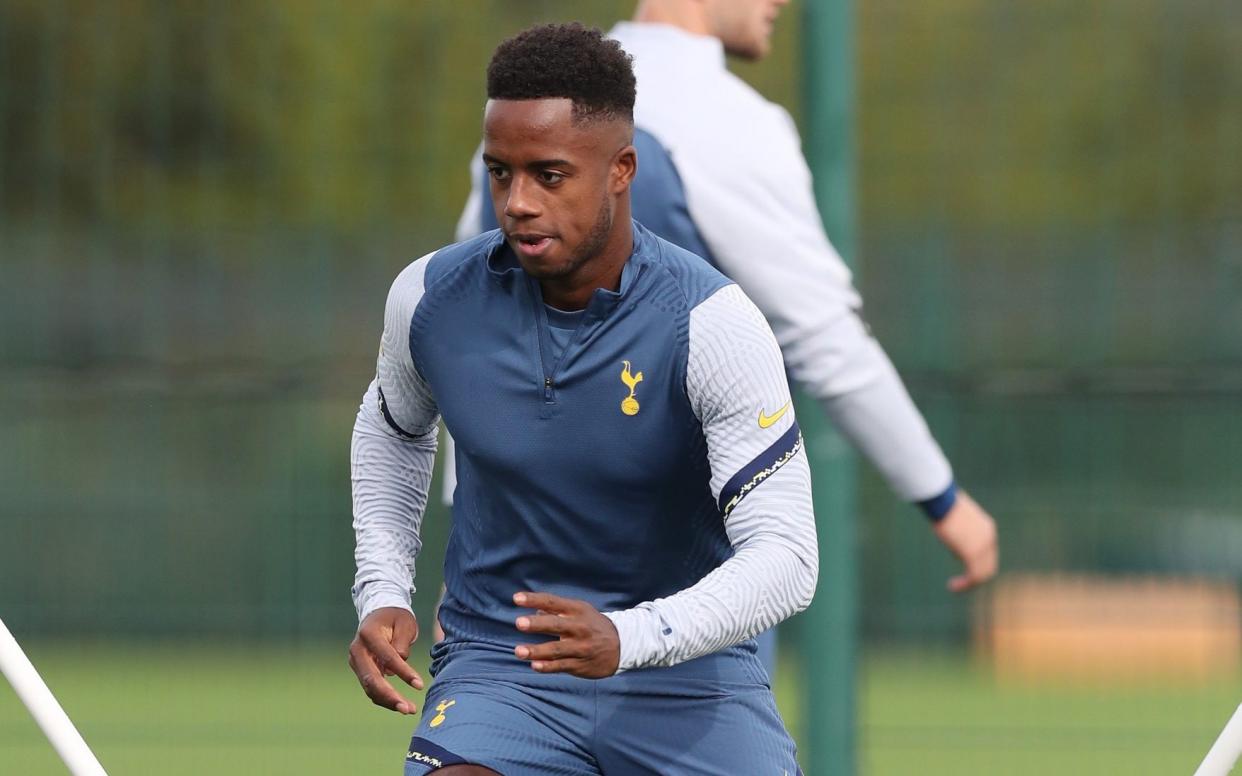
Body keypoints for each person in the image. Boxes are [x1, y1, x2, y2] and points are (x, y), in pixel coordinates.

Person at [454, 0, 1000, 669]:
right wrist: (942, 499)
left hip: (517, 588)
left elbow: (470, 344)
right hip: (685, 593)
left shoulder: (530, 113)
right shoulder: (725, 122)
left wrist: (466, 549)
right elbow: (828, 340)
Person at [349, 23, 816, 775]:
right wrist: (382, 589)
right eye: (500, 173)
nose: (518, 203)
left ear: (621, 170)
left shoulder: (712, 325)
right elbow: (392, 429)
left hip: (689, 680)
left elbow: (788, 558)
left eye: (550, 175)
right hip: (504, 670)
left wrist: (629, 637)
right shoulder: (430, 298)